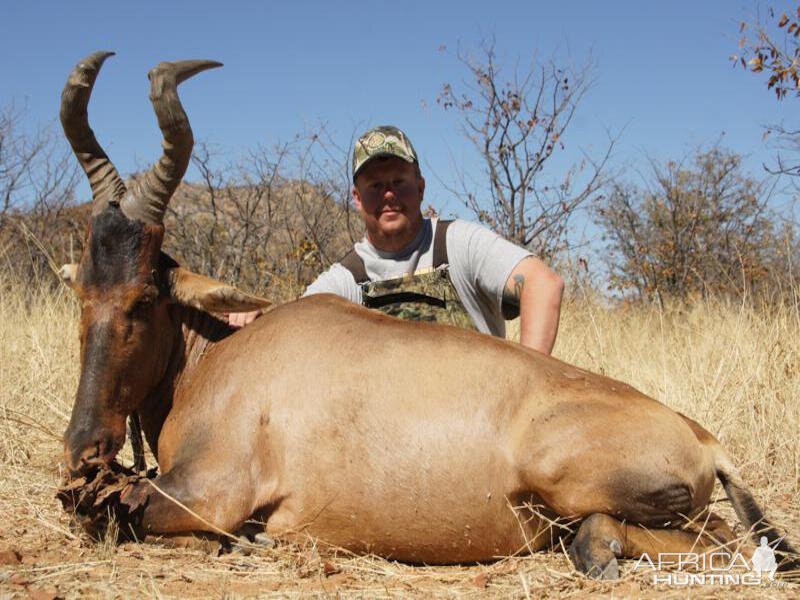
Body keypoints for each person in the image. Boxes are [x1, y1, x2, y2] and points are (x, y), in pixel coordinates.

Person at [230, 125, 564, 355]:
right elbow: (295, 324)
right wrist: (254, 318)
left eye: (399, 182)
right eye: (375, 186)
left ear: (420, 188)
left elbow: (543, 284)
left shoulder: (459, 242)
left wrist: (529, 391)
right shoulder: (346, 281)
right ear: (357, 199)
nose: (389, 195)